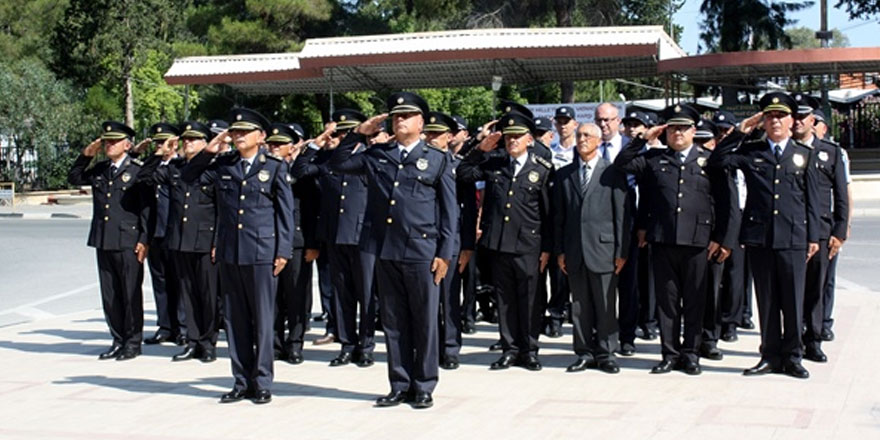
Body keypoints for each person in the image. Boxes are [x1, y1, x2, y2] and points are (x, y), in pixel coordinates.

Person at [330, 92, 457, 409]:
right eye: (396, 115)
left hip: (422, 250)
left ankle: (424, 384)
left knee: (425, 320)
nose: (400, 120)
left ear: (421, 122)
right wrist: (360, 133)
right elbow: (339, 163)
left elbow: (449, 213)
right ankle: (399, 383)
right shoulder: (377, 155)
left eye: (407, 115)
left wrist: (444, 254)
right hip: (384, 250)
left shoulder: (437, 159)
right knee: (394, 321)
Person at [615, 104, 735, 375]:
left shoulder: (709, 160)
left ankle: (691, 353)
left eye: (683, 128)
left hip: (697, 241)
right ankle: (669, 353)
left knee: (695, 300)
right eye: (672, 128)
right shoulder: (654, 159)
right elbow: (622, 163)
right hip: (663, 239)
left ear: (694, 131)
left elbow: (725, 202)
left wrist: (722, 238)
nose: (678, 133)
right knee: (667, 303)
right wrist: (644, 138)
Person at [709, 92, 821, 379]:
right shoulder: (752, 152)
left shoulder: (803, 154)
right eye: (770, 116)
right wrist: (743, 129)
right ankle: (770, 355)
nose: (775, 121)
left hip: (794, 238)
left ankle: (793, 356)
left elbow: (813, 199)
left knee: (793, 300)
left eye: (781, 116)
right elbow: (717, 162)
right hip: (760, 238)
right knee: (767, 300)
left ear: (791, 120)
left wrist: (813, 237)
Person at [203, 108, 294, 404]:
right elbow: (187, 175)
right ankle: (241, 380)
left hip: (262, 252)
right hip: (231, 252)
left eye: (245, 131)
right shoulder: (224, 165)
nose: (239, 136)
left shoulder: (276, 167)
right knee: (235, 319)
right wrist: (208, 151)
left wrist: (282, 250)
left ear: (261, 136)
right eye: (235, 131)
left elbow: (285, 213)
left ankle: (262, 381)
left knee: (263, 319)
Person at [457, 111, 553, 372]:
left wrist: (547, 248)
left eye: (518, 136)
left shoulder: (541, 168)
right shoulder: (494, 162)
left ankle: (529, 350)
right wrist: (479, 149)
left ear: (529, 139)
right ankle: (510, 348)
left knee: (531, 300)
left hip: (528, 245)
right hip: (498, 243)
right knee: (505, 299)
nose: (512, 141)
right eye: (509, 137)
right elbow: (463, 173)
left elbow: (548, 213)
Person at [294, 109, 377, 365]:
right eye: (338, 132)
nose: (340, 137)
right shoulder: (327, 159)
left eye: (346, 132)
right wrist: (316, 144)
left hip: (363, 236)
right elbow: (299, 170)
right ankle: (346, 344)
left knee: (366, 294)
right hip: (335, 234)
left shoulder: (371, 157)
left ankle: (366, 346)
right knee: (342, 295)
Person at [68, 121, 155, 361]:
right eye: (106, 141)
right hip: (104, 238)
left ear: (127, 145)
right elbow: (75, 178)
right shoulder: (100, 169)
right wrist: (86, 155)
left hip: (128, 240)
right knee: (110, 295)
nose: (109, 145)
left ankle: (133, 342)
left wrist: (144, 239)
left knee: (129, 293)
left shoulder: (138, 170)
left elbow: (147, 209)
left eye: (114, 141)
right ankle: (117, 339)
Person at [554, 123, 630, 374]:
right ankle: (584, 352)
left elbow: (622, 214)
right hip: (575, 251)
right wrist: (561, 251)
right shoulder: (565, 175)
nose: (582, 139)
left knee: (606, 304)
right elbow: (561, 217)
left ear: (599, 141)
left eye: (587, 135)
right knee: (580, 306)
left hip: (604, 249)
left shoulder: (612, 173)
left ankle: (607, 352)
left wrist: (621, 251)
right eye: (579, 135)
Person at [150, 121, 221, 362]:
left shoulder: (214, 168)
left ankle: (208, 342)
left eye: (194, 139)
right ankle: (192, 341)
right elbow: (146, 176)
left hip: (205, 239)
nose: (188, 143)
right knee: (188, 293)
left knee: (208, 295)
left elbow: (222, 209)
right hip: (180, 239)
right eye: (186, 139)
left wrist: (217, 241)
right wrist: (161, 153)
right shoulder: (175, 167)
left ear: (205, 142)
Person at [790, 93, 848, 363]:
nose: (799, 121)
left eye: (803, 116)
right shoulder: (784, 150)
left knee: (816, 289)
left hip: (822, 232)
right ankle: (792, 340)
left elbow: (841, 195)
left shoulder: (830, 152)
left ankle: (813, 340)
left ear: (814, 120)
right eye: (796, 116)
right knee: (792, 289)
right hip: (792, 230)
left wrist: (839, 231)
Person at [423, 111, 478, 370]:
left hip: (452, 241)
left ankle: (451, 346)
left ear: (449, 136)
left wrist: (467, 245)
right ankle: (430, 346)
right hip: (423, 240)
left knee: (449, 298)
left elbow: (467, 211)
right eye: (429, 133)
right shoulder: (418, 162)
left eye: (438, 134)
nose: (432, 138)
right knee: (427, 300)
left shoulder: (458, 166)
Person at [266, 122, 318, 365]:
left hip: (298, 241)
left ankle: (295, 343)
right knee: (273, 297)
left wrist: (313, 242)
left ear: (293, 145)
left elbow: (312, 210)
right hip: (269, 241)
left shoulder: (301, 171)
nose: (274, 148)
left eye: (280, 144)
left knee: (296, 294)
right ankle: (275, 343)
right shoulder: (264, 169)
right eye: (272, 144)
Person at [595, 103, 638, 356]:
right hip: (597, 224)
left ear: (618, 121)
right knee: (600, 284)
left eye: (609, 120)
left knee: (628, 284)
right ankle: (602, 333)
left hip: (626, 221)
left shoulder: (629, 147)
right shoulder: (587, 147)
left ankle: (627, 336)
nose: (604, 125)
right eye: (600, 120)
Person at [143, 123, 187, 347]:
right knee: (160, 282)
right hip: (155, 232)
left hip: (176, 232)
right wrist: (156, 155)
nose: (162, 146)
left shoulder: (181, 165)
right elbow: (142, 179)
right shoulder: (152, 166)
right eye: (158, 142)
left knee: (179, 282)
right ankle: (165, 326)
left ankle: (182, 327)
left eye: (166, 141)